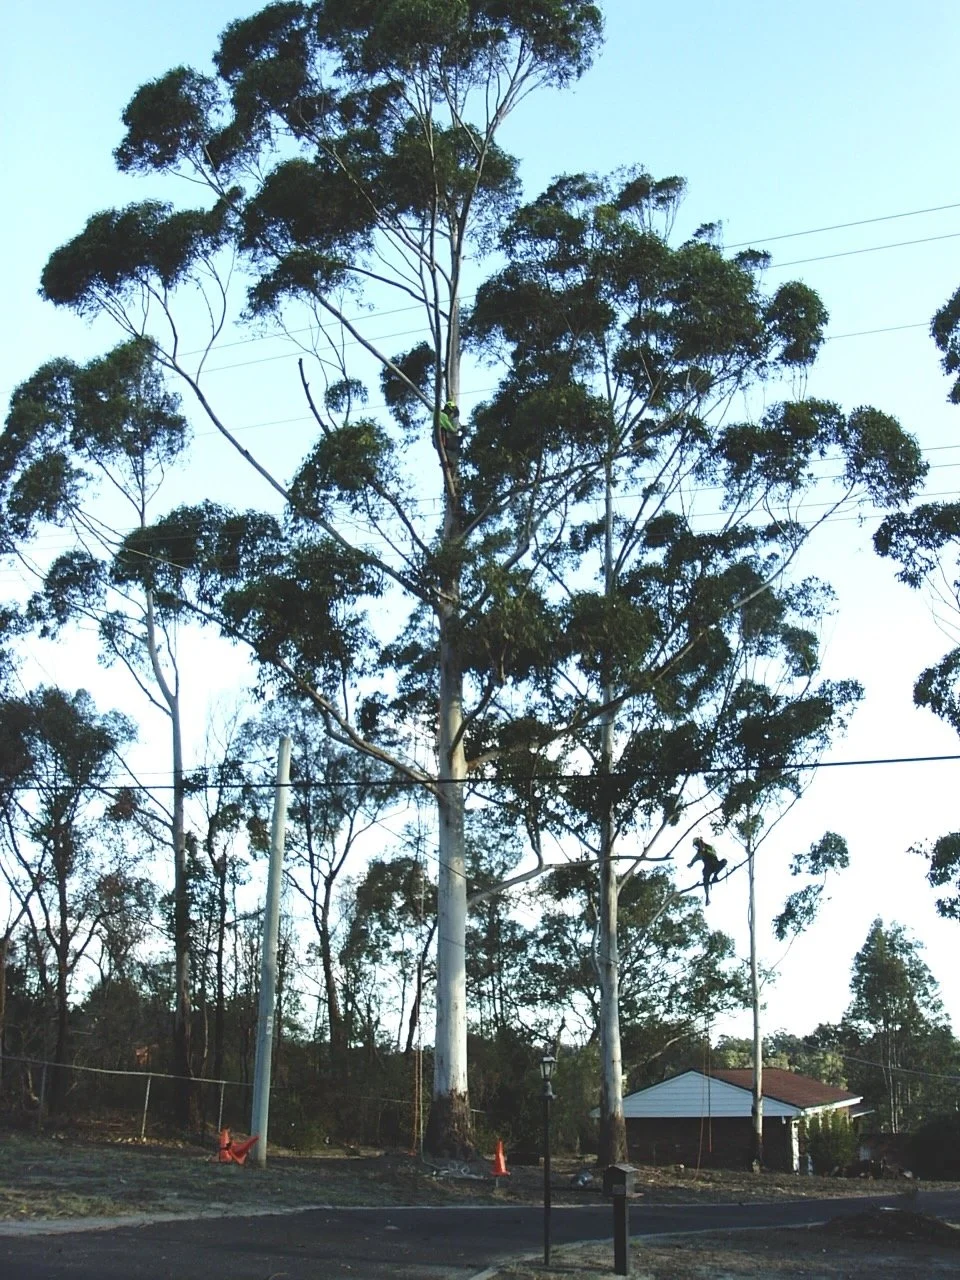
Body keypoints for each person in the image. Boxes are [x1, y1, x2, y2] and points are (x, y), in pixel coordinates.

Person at [688, 836, 727, 905]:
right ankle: (707, 898)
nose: (697, 846)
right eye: (696, 845)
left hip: (715, 864)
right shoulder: (699, 853)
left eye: (697, 844)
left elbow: (714, 853)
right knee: (705, 879)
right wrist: (691, 864)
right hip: (707, 868)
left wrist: (706, 851)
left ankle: (715, 876)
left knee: (724, 861)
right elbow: (694, 859)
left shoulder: (709, 847)